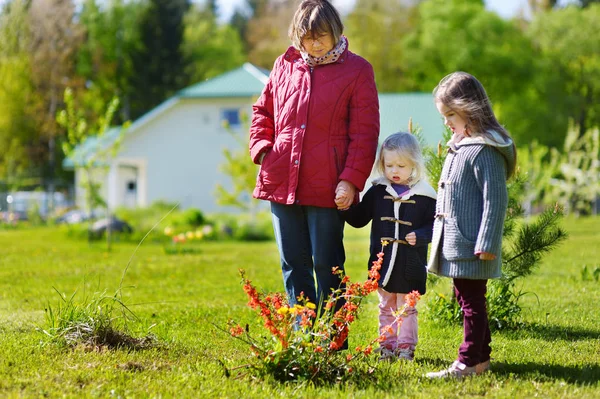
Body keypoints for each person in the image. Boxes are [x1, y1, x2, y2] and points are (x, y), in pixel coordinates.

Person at [248, 0, 380, 331]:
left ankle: (333, 343)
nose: (315, 44)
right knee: (293, 265)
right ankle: (303, 340)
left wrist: (350, 181)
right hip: (282, 181)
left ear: (337, 32)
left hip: (329, 186)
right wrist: (265, 149)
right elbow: (262, 112)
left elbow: (364, 134)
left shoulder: (358, 70)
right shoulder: (284, 64)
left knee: (327, 265)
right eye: (307, 37)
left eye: (322, 35)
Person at [425, 72, 516, 378]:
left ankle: (466, 362)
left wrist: (487, 242)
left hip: (473, 244)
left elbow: (495, 199)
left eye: (451, 114)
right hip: (458, 242)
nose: (447, 122)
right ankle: (481, 359)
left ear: (470, 108)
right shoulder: (463, 144)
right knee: (469, 300)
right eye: (444, 116)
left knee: (472, 304)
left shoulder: (485, 149)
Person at [337, 132, 436, 361]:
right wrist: (346, 205)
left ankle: (406, 347)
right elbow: (360, 218)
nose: (394, 171)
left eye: (401, 165)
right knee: (385, 306)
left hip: (410, 263)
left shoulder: (425, 196)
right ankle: (387, 346)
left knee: (407, 307)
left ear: (414, 164)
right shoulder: (378, 192)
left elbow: (436, 226)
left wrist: (420, 235)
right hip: (383, 261)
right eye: (389, 165)